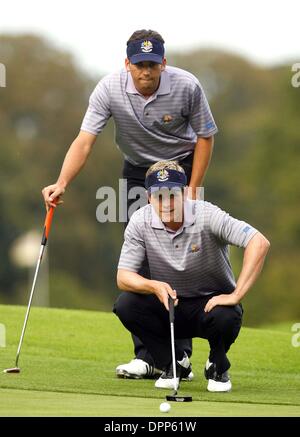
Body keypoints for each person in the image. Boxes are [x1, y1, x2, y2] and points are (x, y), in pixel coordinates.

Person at [42, 29, 218, 380]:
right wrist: (62, 182)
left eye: (153, 65)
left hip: (180, 171)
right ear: (128, 64)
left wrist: (193, 189)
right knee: (140, 259)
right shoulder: (109, 88)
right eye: (139, 65)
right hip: (138, 173)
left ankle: (181, 356)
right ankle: (152, 356)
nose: (146, 72)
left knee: (177, 259)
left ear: (164, 64)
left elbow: (205, 136)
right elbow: (84, 141)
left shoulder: (187, 86)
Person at [114, 161, 270, 391]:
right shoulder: (140, 221)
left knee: (228, 315)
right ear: (148, 197)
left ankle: (217, 365)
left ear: (185, 193)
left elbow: (259, 242)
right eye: (159, 197)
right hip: (171, 306)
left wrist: (236, 295)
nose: (166, 203)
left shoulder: (207, 214)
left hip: (211, 305)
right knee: (126, 304)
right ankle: (174, 363)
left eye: (172, 195)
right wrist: (153, 286)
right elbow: (123, 276)